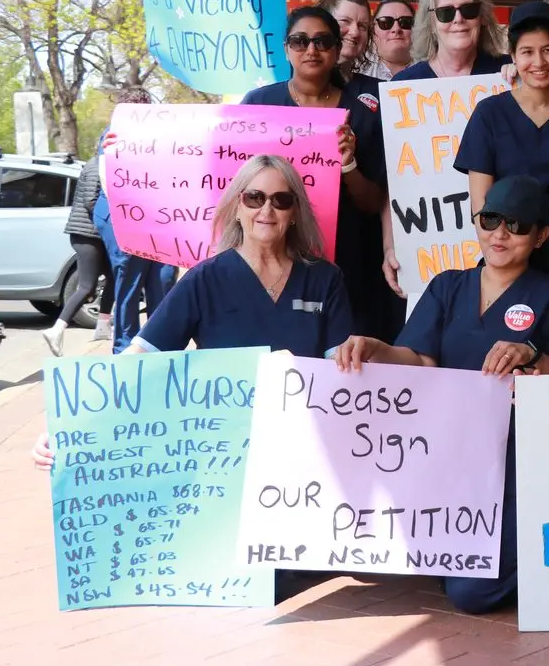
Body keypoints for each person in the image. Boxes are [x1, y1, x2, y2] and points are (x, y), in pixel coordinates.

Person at [333, 175, 549, 614]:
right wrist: (377, 349)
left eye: (517, 224)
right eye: (490, 219)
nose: (500, 233)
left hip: (514, 460)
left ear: (541, 235)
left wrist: (531, 356)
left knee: (472, 594)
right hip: (445, 455)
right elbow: (420, 361)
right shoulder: (447, 286)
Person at [33, 155, 354, 466]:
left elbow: (342, 374)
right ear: (237, 207)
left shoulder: (325, 279)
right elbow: (142, 356)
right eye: (255, 198)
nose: (267, 209)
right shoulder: (205, 279)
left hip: (303, 453)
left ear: (294, 212)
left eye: (281, 200)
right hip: (225, 454)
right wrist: (72, 423)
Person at [242, 7, 390, 340]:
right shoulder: (259, 104)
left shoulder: (363, 115)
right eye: (300, 41)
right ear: (286, 49)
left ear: (337, 50)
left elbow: (372, 202)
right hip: (272, 262)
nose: (311, 50)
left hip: (349, 265)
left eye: (323, 41)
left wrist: (348, 164)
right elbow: (224, 175)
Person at [455, 2, 549, 298]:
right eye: (527, 52)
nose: (539, 62)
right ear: (513, 56)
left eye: (548, 50)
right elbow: (481, 206)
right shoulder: (490, 114)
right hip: (508, 264)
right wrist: (497, 269)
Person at [92, 88, 177, 353]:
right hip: (122, 217)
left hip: (157, 217)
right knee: (129, 277)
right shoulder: (113, 136)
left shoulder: (160, 136)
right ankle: (124, 346)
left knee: (163, 277)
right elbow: (109, 182)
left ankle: (158, 341)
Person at [41, 149, 114, 355]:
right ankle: (57, 330)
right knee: (86, 287)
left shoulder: (100, 164)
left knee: (114, 277)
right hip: (86, 234)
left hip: (92, 234)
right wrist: (115, 217)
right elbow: (91, 201)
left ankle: (102, 326)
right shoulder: (96, 166)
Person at [392, 0, 508, 81]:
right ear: (431, 22)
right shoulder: (404, 85)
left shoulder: (510, 73)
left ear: (482, 16)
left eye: (468, 9)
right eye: (446, 12)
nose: (458, 19)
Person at [319, 0, 373, 82]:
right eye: (345, 21)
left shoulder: (376, 90)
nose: (355, 32)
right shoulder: (296, 86)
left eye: (362, 26)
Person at [359, 0, 415, 80]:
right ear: (372, 30)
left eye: (405, 22)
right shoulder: (356, 67)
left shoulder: (434, 68)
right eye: (385, 22)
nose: (396, 29)